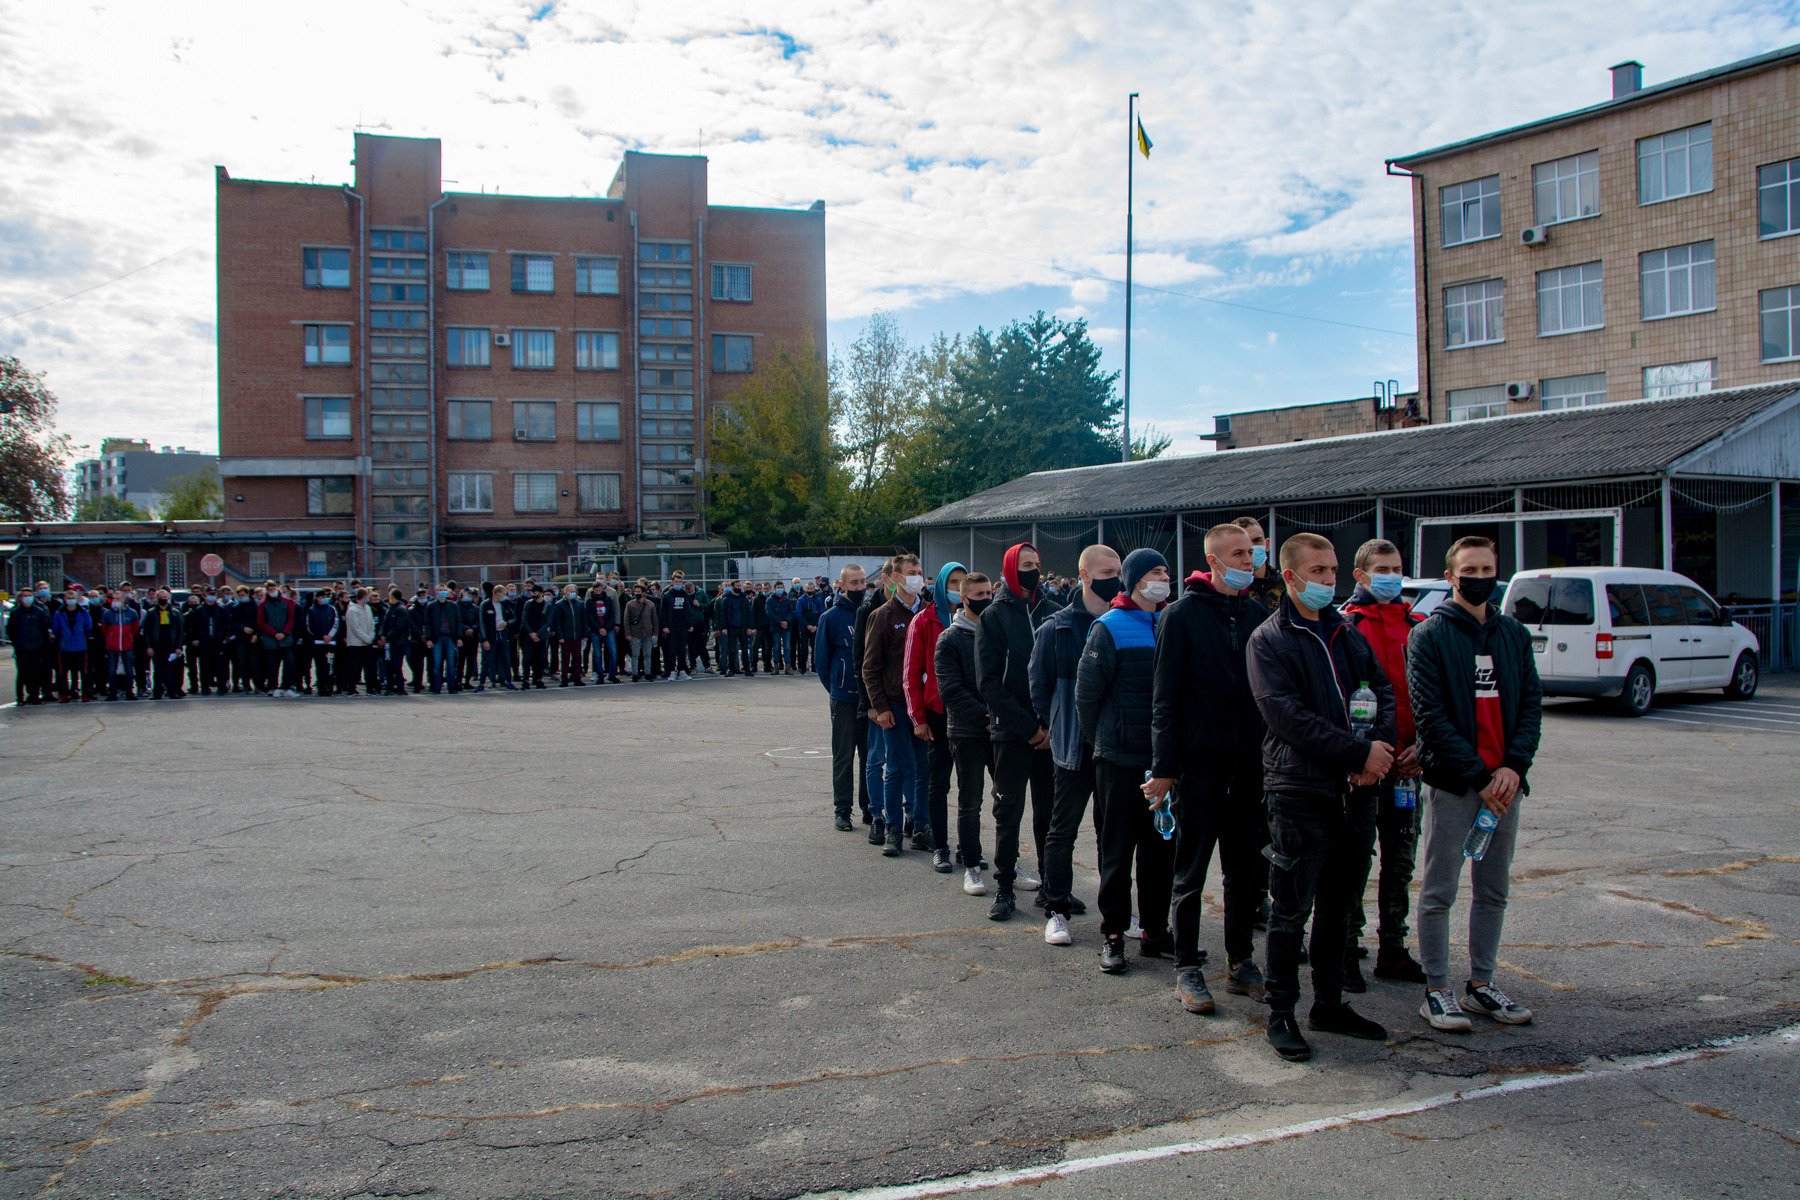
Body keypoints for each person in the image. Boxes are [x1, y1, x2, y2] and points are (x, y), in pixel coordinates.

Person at [1247, 531, 1395, 1062]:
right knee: (1291, 911)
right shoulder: (1270, 640)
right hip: (1300, 791)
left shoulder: (1346, 632)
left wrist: (1378, 751)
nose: (1329, 580)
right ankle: (1281, 1012)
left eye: (1333, 570)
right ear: (1290, 576)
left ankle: (1329, 1004)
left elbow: (1382, 691)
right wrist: (1357, 754)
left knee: (1340, 906)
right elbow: (1287, 716)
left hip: (1356, 792)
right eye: (1318, 572)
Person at [1409, 535, 1543, 1033]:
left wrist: (1514, 768)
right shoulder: (1428, 636)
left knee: (1493, 890)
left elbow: (1530, 706)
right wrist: (1480, 777)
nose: (1480, 578)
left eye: (1488, 569)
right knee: (1439, 890)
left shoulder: (1512, 634)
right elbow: (1431, 718)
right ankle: (1437, 990)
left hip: (1505, 788)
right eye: (1470, 570)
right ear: (1451, 576)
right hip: (1455, 785)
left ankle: (1482, 984)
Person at [1147, 523, 1273, 1015]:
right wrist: (1165, 768)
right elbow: (1165, 697)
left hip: (1249, 766)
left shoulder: (1257, 614)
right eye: (1238, 554)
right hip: (1199, 766)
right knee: (1191, 871)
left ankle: (1241, 961)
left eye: (1251, 552)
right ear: (1214, 561)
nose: (1249, 560)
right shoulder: (1180, 615)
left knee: (1244, 871)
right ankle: (1187, 966)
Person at [1076, 549, 1175, 974]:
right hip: (1118, 761)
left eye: (1166, 572)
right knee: (1116, 852)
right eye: (1155, 572)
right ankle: (1114, 934)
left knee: (1161, 851)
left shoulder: (1170, 622)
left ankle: (1155, 931)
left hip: (1163, 763)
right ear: (1134, 580)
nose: (1163, 579)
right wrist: (1103, 742)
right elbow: (1087, 697)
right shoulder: (1109, 627)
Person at [1339, 539, 1429, 987]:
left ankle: (1393, 947)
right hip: (1362, 767)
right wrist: (1362, 754)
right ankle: (1346, 947)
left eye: (1396, 569)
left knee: (1400, 860)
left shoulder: (1420, 626)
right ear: (1360, 575)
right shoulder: (1345, 627)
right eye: (1382, 569)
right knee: (1354, 859)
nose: (1391, 577)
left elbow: (1437, 695)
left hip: (1408, 767)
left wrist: (1424, 748)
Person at [1029, 545, 1120, 943]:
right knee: (1062, 829)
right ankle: (1056, 908)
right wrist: (1057, 726)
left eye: (1118, 571)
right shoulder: (1057, 628)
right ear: (1084, 575)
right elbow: (1039, 685)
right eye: (1107, 572)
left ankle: (1117, 912)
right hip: (1072, 747)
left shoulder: (1124, 622)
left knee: (1112, 833)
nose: (1116, 578)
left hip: (1115, 748)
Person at [977, 542, 1054, 920]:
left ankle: (1053, 888)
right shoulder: (994, 616)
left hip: (1052, 736)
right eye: (1026, 564)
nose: (1033, 570)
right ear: (1010, 568)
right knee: (1008, 813)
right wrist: (1028, 728)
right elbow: (989, 683)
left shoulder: (1053, 611)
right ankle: (1005, 889)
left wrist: (1051, 726)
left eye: (1037, 564)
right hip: (1012, 733)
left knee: (1051, 815)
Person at [862, 554, 931, 857]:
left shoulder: (928, 612)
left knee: (923, 770)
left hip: (924, 706)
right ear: (898, 578)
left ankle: (921, 825)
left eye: (919, 572)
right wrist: (880, 707)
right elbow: (870, 668)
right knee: (896, 769)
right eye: (911, 572)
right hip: (895, 705)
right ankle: (893, 828)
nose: (917, 577)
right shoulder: (883, 615)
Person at [904, 560, 965, 872]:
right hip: (937, 714)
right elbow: (911, 674)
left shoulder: (976, 617)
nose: (958, 588)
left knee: (970, 787)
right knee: (938, 784)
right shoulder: (924, 620)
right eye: (953, 582)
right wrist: (919, 718)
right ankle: (940, 846)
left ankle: (969, 848)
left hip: (969, 715)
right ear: (941, 585)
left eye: (962, 582)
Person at [936, 570, 994, 895]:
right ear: (964, 598)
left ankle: (1010, 863)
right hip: (967, 731)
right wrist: (985, 717)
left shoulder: (996, 632)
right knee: (970, 802)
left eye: (989, 593)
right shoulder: (950, 639)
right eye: (979, 594)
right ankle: (971, 866)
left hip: (1000, 730)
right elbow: (950, 690)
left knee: (1007, 800)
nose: (986, 599)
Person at [815, 562, 868, 831]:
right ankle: (843, 810)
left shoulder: (871, 613)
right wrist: (838, 688)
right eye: (854, 582)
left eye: (862, 582)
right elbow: (822, 663)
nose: (860, 587)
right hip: (844, 699)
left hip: (870, 700)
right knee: (844, 757)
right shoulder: (830, 618)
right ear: (842, 585)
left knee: (871, 758)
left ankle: (870, 807)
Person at [853, 561, 892, 839]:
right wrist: (869, 703)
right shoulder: (868, 610)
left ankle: (907, 815)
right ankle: (875, 812)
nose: (915, 580)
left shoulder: (916, 607)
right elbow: (861, 662)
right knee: (875, 758)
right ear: (889, 578)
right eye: (909, 575)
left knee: (904, 763)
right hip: (877, 699)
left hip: (903, 699)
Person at [6, 587, 53, 705]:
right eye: (25, 596)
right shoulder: (15, 612)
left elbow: (44, 629)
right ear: (21, 598)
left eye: (29, 595)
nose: (27, 598)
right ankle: (20, 697)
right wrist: (16, 643)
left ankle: (34, 696)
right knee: (22, 673)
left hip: (37, 646)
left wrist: (44, 644)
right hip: (22, 647)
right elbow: (10, 630)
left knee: (36, 672)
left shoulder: (39, 611)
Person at [1233, 516, 1286, 615]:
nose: (1252, 548)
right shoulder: (1230, 589)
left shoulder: (1287, 585)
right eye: (1245, 543)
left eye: (1257, 540)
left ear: (1267, 544)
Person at [143, 587, 187, 699]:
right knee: (157, 670)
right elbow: (147, 631)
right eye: (161, 597)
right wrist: (148, 646)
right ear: (157, 598)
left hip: (171, 645)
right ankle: (157, 692)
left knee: (170, 670)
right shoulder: (151, 613)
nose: (163, 599)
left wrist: (178, 646)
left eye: (165, 597)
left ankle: (172, 692)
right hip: (157, 645)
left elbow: (180, 631)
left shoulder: (175, 612)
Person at [258, 581, 300, 697]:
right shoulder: (263, 604)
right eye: (269, 589)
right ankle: (273, 687)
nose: (272, 590)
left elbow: (291, 619)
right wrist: (273, 633)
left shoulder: (287, 602)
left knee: (290, 662)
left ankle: (287, 687)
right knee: (272, 665)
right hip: (270, 639)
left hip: (286, 638)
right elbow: (261, 622)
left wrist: (285, 633)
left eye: (273, 588)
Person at [52, 589, 93, 702]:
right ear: (65, 599)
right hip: (64, 646)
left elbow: (88, 627)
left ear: (77, 599)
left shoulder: (83, 612)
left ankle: (85, 693)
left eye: (73, 598)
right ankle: (64, 694)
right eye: (69, 598)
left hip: (80, 646)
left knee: (83, 671)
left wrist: (82, 637)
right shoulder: (59, 613)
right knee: (63, 672)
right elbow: (55, 628)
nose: (71, 600)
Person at [97, 590, 140, 700]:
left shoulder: (132, 613)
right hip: (112, 646)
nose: (115, 601)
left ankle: (129, 692)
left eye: (118, 598)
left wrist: (129, 637)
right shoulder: (107, 613)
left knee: (129, 669)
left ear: (124, 599)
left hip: (127, 645)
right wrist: (111, 637)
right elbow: (104, 629)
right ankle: (112, 693)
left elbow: (135, 628)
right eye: (114, 599)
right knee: (112, 670)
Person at [192, 589, 232, 695]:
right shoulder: (199, 610)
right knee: (204, 665)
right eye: (210, 594)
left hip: (218, 641)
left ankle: (221, 687)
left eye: (214, 594)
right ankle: (205, 687)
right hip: (204, 641)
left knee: (220, 665)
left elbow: (226, 625)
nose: (212, 596)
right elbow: (195, 626)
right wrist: (195, 638)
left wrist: (224, 637)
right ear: (205, 595)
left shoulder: (221, 609)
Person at [343, 588, 378, 695]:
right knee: (354, 667)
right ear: (363, 596)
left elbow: (372, 624)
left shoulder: (367, 608)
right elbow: (356, 628)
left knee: (369, 667)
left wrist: (371, 636)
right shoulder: (352, 610)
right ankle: (351, 688)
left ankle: (370, 688)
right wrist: (367, 638)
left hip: (367, 644)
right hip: (355, 644)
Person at [660, 572, 694, 681]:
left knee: (682, 650)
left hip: (683, 626)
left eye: (680, 582)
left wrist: (690, 624)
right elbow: (663, 612)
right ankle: (672, 672)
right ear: (672, 582)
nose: (678, 583)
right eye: (676, 582)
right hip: (671, 627)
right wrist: (664, 626)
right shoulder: (667, 596)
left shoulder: (685, 595)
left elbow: (689, 610)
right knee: (672, 650)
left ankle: (682, 671)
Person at [304, 590, 338, 697]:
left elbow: (336, 623)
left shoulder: (332, 609)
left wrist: (330, 635)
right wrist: (321, 636)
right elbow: (310, 627)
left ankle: (329, 687)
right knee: (320, 665)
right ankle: (321, 687)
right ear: (317, 598)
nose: (325, 598)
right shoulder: (311, 610)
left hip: (330, 643)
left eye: (326, 596)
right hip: (318, 643)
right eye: (322, 597)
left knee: (329, 666)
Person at [552, 583, 586, 687]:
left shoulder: (580, 604)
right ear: (565, 592)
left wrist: (584, 634)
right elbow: (557, 622)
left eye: (574, 592)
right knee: (565, 658)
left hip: (577, 635)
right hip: (565, 636)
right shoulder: (559, 604)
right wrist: (560, 636)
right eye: (571, 591)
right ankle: (564, 679)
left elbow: (584, 620)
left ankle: (577, 678)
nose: (573, 593)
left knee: (577, 658)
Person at [624, 583, 658, 681]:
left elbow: (655, 620)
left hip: (648, 633)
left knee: (648, 654)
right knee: (635, 655)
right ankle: (635, 674)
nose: (637, 593)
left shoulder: (650, 604)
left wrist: (655, 634)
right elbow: (626, 620)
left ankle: (648, 673)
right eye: (635, 591)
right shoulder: (630, 604)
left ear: (644, 593)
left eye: (639, 592)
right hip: (635, 633)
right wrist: (628, 633)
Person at [767, 582, 796, 675]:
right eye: (778, 587)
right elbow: (769, 613)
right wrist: (779, 622)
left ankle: (788, 666)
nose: (780, 589)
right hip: (775, 627)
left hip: (786, 627)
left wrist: (787, 621)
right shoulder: (770, 600)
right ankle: (776, 666)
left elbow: (791, 612)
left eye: (781, 587)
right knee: (776, 647)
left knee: (787, 647)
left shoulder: (787, 600)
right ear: (774, 588)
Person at [796, 583, 822, 676]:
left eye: (811, 588)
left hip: (814, 627)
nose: (809, 590)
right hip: (804, 627)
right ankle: (802, 667)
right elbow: (799, 614)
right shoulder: (801, 600)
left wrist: (816, 625)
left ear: (814, 589)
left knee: (815, 647)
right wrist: (807, 625)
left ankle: (815, 667)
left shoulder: (817, 600)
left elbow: (821, 613)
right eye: (808, 588)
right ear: (805, 588)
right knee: (803, 648)